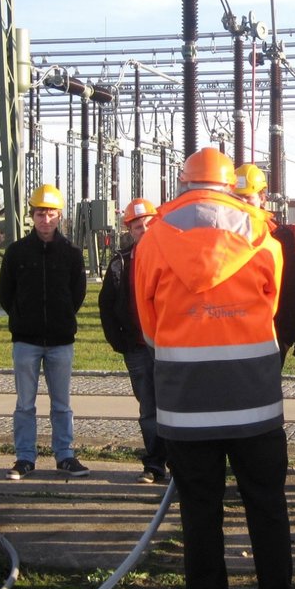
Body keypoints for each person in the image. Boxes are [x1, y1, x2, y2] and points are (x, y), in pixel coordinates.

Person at [135, 147, 295, 589]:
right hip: (254, 400)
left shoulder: (154, 238)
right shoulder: (263, 236)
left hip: (185, 405)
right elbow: (274, 307)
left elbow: (148, 325)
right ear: (230, 185)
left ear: (184, 183)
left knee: (200, 512)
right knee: (267, 506)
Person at [0, 183, 89, 481]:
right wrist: (23, 318)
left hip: (61, 341)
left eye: (50, 214)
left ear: (59, 216)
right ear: (31, 216)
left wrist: (62, 317)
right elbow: (5, 293)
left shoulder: (72, 254)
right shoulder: (17, 253)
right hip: (26, 340)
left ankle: (65, 456)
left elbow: (77, 293)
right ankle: (25, 458)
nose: (45, 220)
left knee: (62, 405)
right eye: (40, 214)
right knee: (25, 404)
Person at [99, 197, 167, 484]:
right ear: (130, 229)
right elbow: (107, 305)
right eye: (138, 226)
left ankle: (181, 464)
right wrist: (120, 342)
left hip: (168, 348)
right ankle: (154, 465)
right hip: (138, 349)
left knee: (175, 407)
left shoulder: (171, 257)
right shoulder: (121, 263)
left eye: (149, 223)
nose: (145, 229)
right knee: (148, 409)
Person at [233, 163, 295, 366]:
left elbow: (293, 291)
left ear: (262, 198)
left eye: (248, 197)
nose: (242, 204)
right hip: (232, 337)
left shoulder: (280, 237)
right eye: (236, 198)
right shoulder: (223, 237)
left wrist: (285, 339)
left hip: (270, 337)